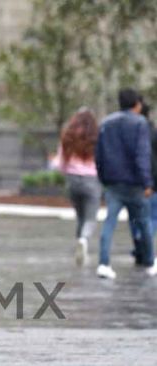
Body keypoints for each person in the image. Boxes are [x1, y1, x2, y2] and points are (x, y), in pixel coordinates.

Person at [95, 88, 157, 279]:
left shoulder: (106, 123)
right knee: (144, 222)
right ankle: (149, 261)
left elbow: (99, 155)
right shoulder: (140, 123)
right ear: (136, 104)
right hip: (134, 184)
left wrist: (103, 178)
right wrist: (147, 182)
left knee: (109, 223)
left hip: (113, 183)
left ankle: (103, 263)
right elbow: (142, 155)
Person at [51, 108, 101, 266]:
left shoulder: (68, 137)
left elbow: (60, 163)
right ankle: (84, 240)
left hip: (72, 181)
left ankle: (79, 244)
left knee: (80, 216)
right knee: (90, 217)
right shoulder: (97, 137)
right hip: (91, 180)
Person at [129, 100, 157, 265]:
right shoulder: (153, 132)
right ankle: (142, 244)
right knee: (152, 216)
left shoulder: (132, 132)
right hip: (153, 180)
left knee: (135, 216)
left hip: (134, 180)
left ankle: (140, 247)